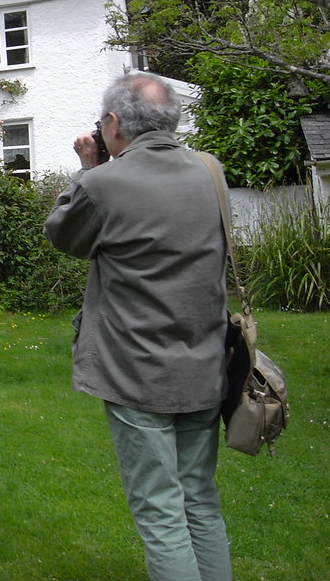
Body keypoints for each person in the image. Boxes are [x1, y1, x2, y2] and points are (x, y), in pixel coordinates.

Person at [43, 74, 232, 581]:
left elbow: (64, 235)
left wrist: (88, 168)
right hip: (206, 362)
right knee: (200, 500)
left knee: (159, 510)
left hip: (136, 369)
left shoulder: (104, 182)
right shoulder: (210, 171)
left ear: (113, 123)